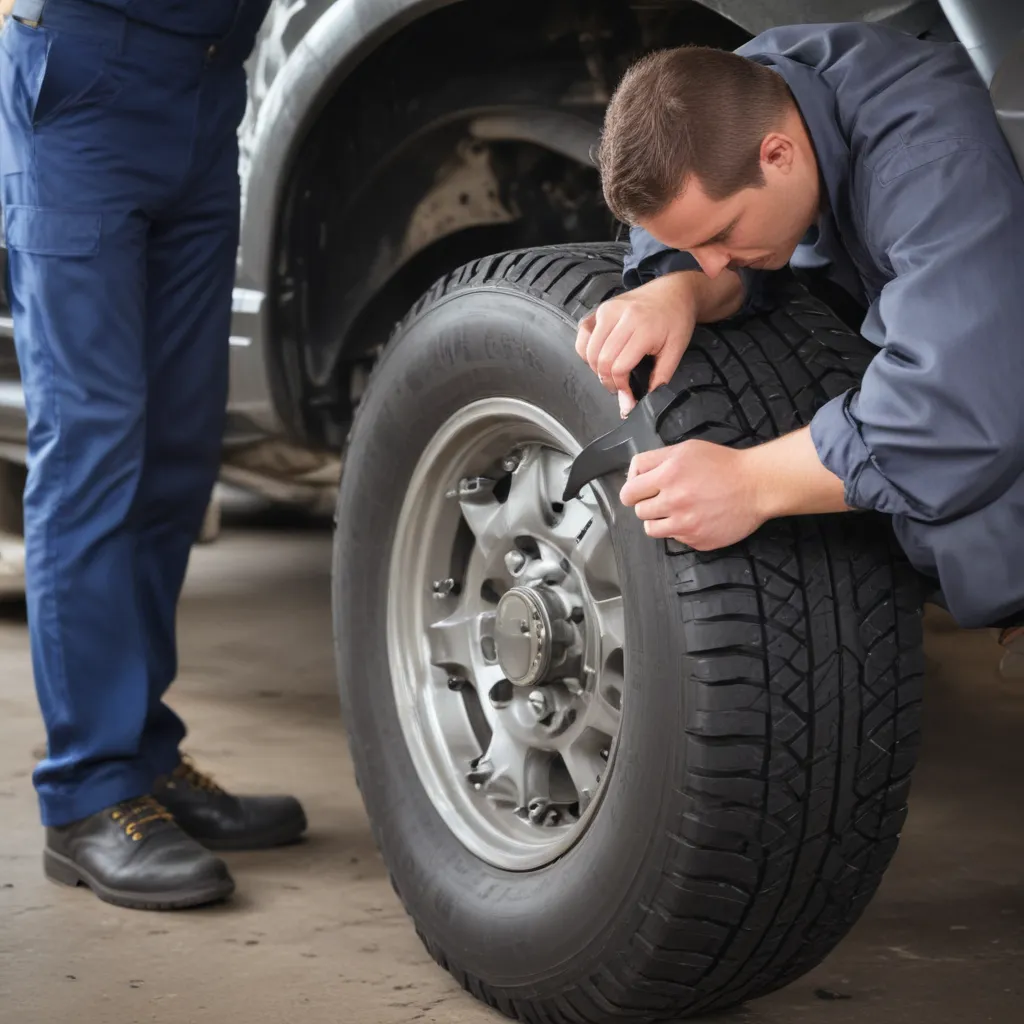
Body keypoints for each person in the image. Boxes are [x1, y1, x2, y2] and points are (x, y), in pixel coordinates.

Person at [0, 0, 307, 911]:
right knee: (95, 446)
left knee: (177, 448)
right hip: (90, 73)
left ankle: (143, 754)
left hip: (210, 83)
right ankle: (88, 793)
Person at [577, 21, 1024, 633]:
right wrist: (673, 286)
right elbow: (689, 171)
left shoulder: (929, 165)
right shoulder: (758, 91)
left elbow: (959, 409)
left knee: (979, 518)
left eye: (720, 236)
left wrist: (750, 483)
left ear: (778, 155)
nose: (711, 261)